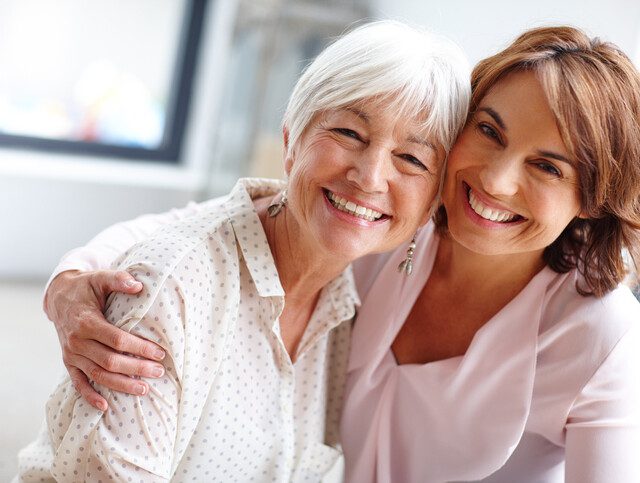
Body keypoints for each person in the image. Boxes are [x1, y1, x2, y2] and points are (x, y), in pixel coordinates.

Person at [24, 26, 640, 483]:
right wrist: (71, 279)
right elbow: (216, 225)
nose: (497, 181)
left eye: (547, 167)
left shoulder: (600, 335)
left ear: (593, 196)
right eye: (489, 131)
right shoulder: (387, 232)